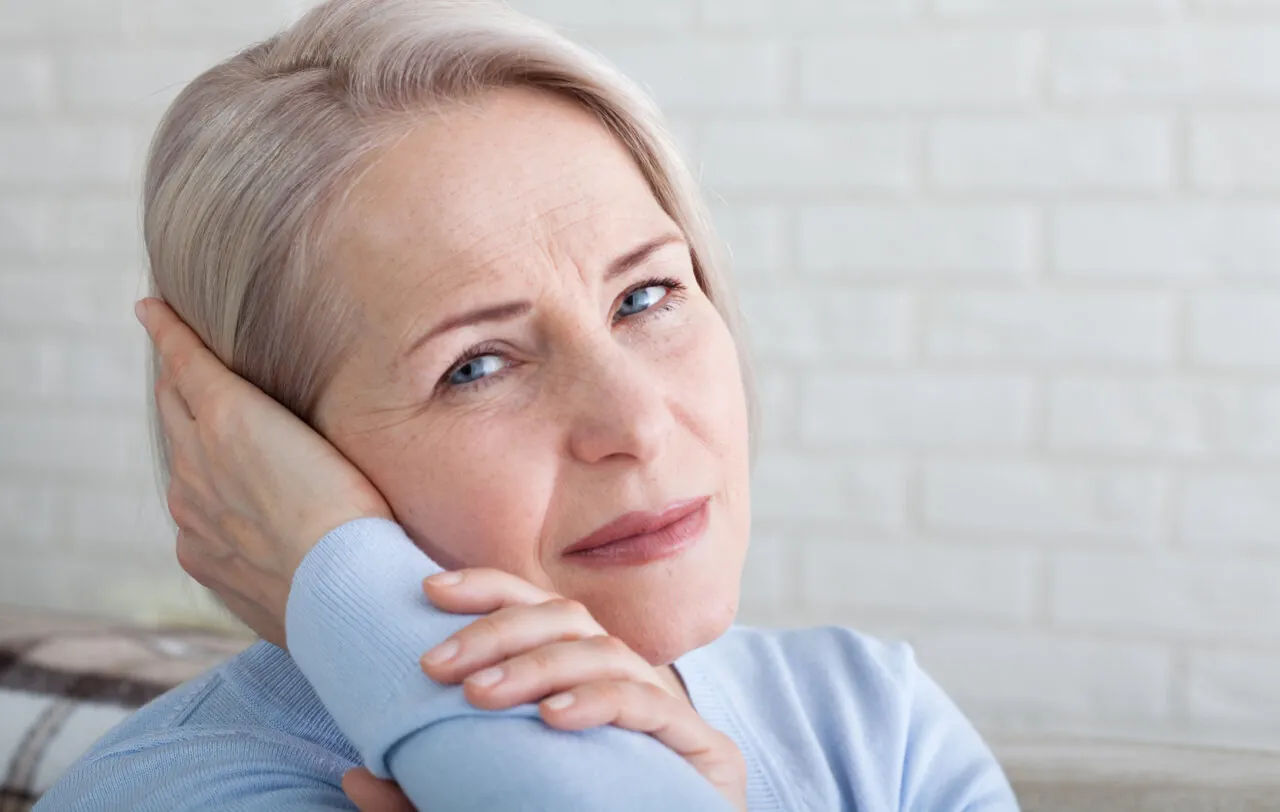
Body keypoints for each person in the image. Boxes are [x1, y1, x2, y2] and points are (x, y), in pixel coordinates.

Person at [35, 0, 1020, 809]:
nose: (636, 424)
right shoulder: (169, 792)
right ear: (265, 449)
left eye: (645, 296)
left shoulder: (868, 718)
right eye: (476, 366)